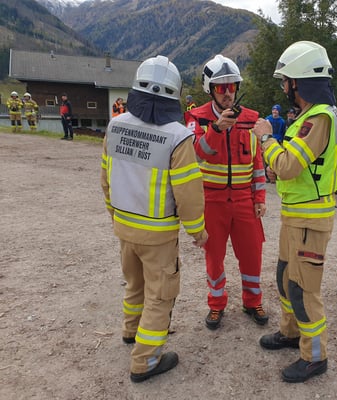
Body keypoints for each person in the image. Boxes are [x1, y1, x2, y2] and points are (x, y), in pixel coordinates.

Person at [100, 55, 208, 383]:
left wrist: (114, 213)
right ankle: (145, 360)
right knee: (160, 296)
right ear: (175, 94)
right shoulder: (178, 136)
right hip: (158, 235)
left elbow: (106, 177)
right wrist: (197, 231)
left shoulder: (115, 125)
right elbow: (188, 192)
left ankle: (131, 332)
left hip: (124, 227)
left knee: (135, 284)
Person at [252, 41, 337, 383]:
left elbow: (289, 165)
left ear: (298, 81)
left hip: (310, 219)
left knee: (302, 288)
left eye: (286, 81)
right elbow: (298, 167)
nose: (284, 87)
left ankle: (315, 357)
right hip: (297, 215)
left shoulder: (319, 118)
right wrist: (277, 166)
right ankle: (291, 332)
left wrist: (266, 140)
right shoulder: (313, 116)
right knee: (285, 277)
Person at [184, 54, 268, 330]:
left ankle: (252, 301)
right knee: (214, 257)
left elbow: (257, 163)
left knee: (252, 255)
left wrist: (259, 198)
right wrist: (217, 129)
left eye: (232, 86)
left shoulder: (251, 119)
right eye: (221, 87)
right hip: (212, 202)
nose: (228, 93)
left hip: (244, 201)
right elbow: (197, 154)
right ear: (210, 89)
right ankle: (216, 304)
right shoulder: (196, 118)